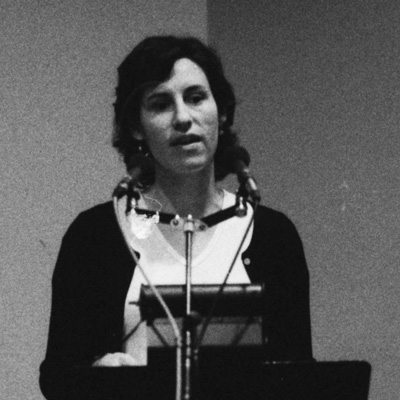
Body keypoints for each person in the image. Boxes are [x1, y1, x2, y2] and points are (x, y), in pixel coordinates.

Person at [39, 35, 313, 400]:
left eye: (196, 98)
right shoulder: (95, 237)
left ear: (223, 111)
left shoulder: (273, 236)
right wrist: (96, 375)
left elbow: (301, 374)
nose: (183, 118)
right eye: (161, 104)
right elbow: (57, 377)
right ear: (137, 127)